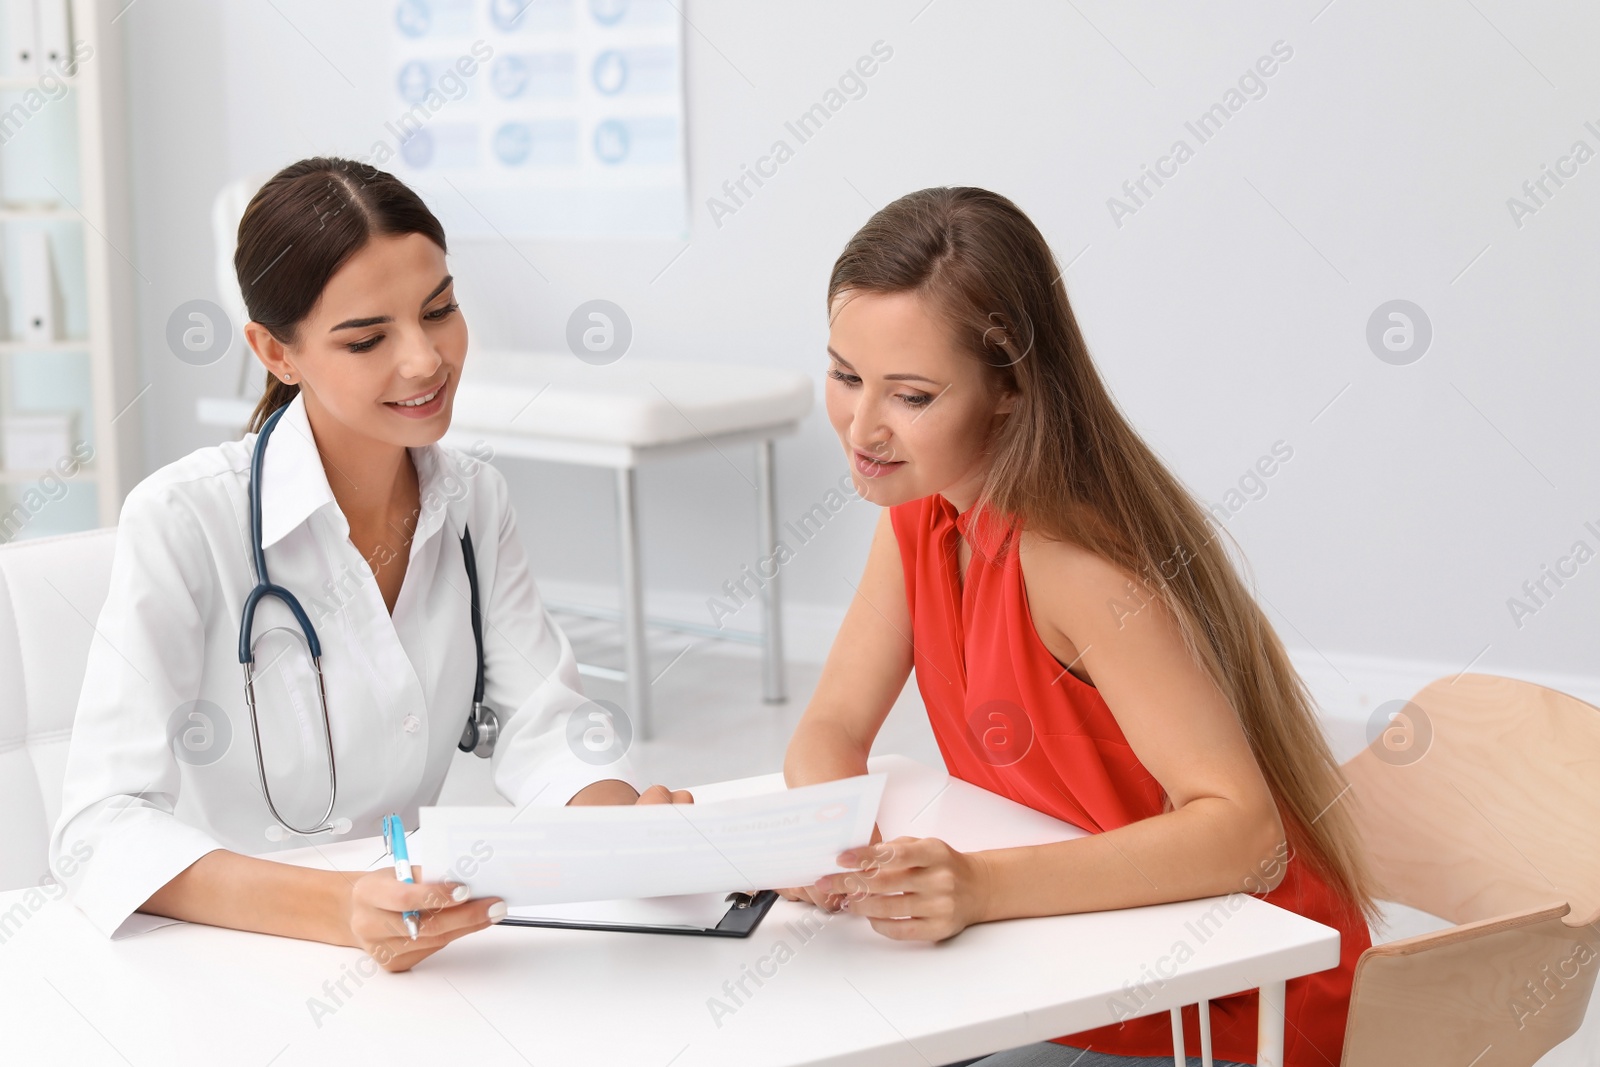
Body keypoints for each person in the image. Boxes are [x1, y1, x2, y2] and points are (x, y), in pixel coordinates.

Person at [779, 187, 1377, 1066]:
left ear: (1010, 390)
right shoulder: (919, 516)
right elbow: (830, 725)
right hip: (1086, 949)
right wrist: (832, 838)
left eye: (910, 395)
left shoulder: (1074, 566)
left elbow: (1248, 835)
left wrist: (978, 885)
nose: (863, 427)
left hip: (1235, 994)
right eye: (845, 375)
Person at [50, 157, 691, 972]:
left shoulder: (473, 502)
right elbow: (100, 828)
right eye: (366, 338)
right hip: (231, 952)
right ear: (275, 352)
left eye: (441, 310)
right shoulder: (184, 521)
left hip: (410, 942)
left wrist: (622, 827)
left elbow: (545, 725)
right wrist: (341, 909)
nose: (425, 360)